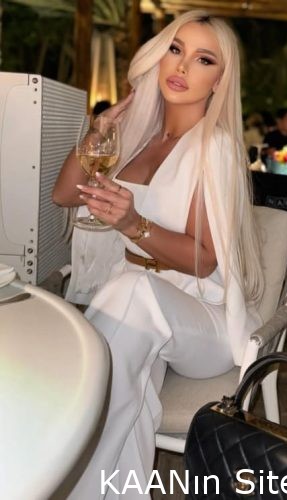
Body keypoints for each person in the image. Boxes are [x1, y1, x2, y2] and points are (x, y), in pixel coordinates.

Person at [52, 10, 264, 499]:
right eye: (176, 49)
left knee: (127, 302)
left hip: (201, 316)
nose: (183, 66)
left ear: (220, 80)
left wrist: (132, 224)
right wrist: (100, 129)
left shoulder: (215, 147)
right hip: (140, 310)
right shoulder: (138, 139)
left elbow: (204, 260)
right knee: (126, 392)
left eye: (204, 59)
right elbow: (64, 195)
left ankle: (62, 466)